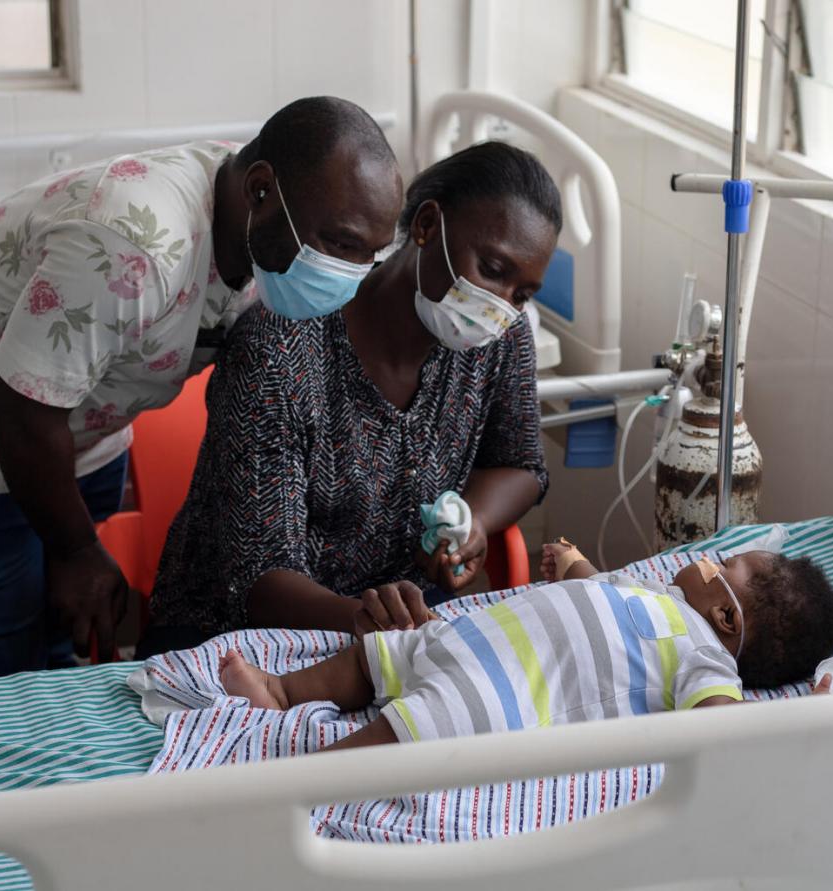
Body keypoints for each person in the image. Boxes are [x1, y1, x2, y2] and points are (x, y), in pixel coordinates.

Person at [0, 96, 403, 682]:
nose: (351, 273)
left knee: (61, 657)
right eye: (341, 245)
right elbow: (18, 414)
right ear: (261, 191)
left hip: (85, 428)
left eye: (370, 253)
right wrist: (75, 550)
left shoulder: (262, 231)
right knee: (0, 672)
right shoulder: (133, 246)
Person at [141, 142, 559, 656]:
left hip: (396, 633)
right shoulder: (281, 346)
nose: (501, 304)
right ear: (427, 226)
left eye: (522, 294)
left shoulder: (499, 338)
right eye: (492, 269)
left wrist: (471, 522)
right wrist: (370, 619)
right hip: (236, 638)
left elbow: (519, 464)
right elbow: (260, 577)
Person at [216, 542, 833, 750]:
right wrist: (573, 564)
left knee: (412, 729)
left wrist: (797, 719)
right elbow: (597, 591)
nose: (704, 561)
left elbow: (721, 726)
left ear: (728, 620)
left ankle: (307, 775)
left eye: (722, 565)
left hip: (500, 693)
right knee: (375, 655)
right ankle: (279, 691)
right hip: (464, 638)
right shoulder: (658, 596)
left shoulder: (705, 660)